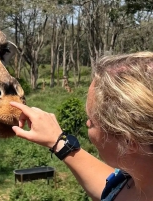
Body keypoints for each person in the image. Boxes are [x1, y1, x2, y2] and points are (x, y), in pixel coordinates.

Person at [10, 52, 153, 201]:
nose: (87, 124)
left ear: (128, 141)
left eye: (91, 121)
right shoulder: (136, 178)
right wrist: (57, 141)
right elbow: (111, 190)